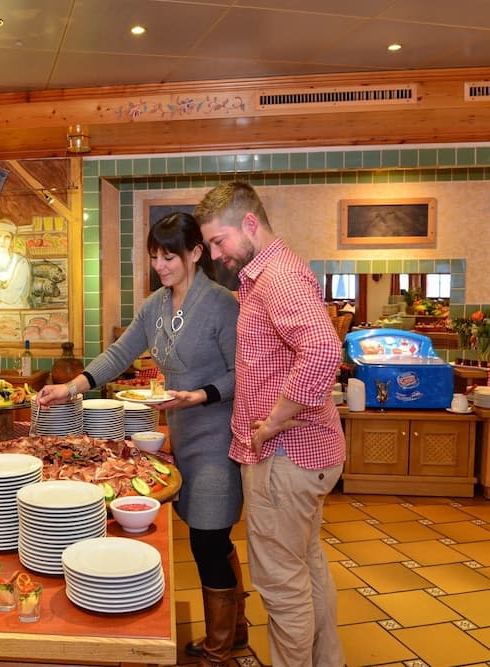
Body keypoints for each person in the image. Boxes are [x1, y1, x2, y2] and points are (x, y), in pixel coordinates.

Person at [37, 212, 245, 667]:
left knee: (208, 538)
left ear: (195, 253)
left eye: (169, 256)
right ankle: (236, 629)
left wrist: (200, 394)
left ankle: (219, 649)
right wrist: (70, 387)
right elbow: (119, 354)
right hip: (181, 433)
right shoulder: (155, 305)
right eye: (154, 257)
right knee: (210, 536)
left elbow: (243, 373)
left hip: (217, 435)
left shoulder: (221, 304)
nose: (160, 266)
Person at [194, 181, 346, 667]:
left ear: (249, 223)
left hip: (286, 456)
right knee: (307, 566)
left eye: (219, 241)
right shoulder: (270, 273)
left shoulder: (276, 276)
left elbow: (323, 351)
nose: (215, 255)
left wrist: (272, 424)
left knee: (281, 583)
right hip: (306, 454)